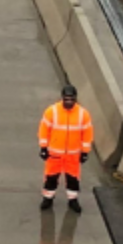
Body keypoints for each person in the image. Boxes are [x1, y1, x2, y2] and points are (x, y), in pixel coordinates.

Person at [38, 84, 94, 213]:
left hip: (73, 155)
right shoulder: (52, 111)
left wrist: (85, 152)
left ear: (75, 99)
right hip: (54, 154)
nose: (69, 102)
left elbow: (87, 133)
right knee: (51, 178)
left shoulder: (83, 114)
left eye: (71, 99)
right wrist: (43, 148)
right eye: (66, 99)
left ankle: (73, 200)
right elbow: (43, 130)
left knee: (73, 179)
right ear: (62, 98)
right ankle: (48, 198)